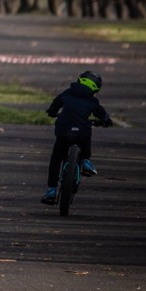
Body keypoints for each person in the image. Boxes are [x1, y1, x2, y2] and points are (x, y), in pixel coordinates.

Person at [41, 70, 113, 205]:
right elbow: (102, 114)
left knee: (56, 157)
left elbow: (55, 104)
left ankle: (51, 190)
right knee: (86, 132)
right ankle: (86, 160)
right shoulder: (92, 101)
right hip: (81, 133)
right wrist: (105, 120)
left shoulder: (67, 93)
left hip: (63, 131)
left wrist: (52, 112)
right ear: (95, 88)